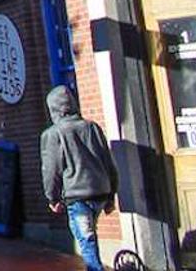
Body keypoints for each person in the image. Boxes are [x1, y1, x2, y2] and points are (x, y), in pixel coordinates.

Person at [40, 85, 116, 271]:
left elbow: (51, 170)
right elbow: (108, 161)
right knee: (89, 236)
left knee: (86, 241)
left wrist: (52, 197)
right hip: (100, 191)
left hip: (77, 196)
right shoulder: (92, 128)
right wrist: (111, 194)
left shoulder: (53, 134)